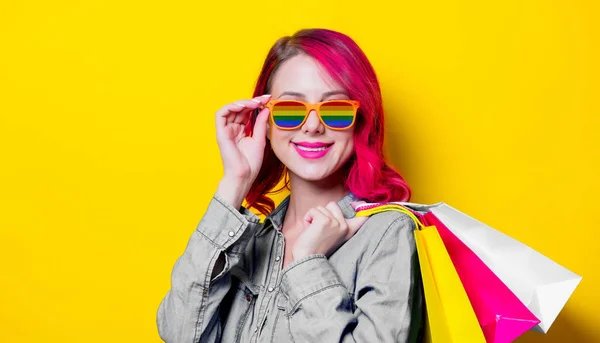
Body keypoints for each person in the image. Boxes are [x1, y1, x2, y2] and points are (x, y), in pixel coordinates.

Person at [156, 28, 424, 343]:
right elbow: (179, 334)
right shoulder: (252, 238)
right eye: (290, 111)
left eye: (336, 110)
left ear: (360, 121)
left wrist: (308, 262)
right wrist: (235, 182)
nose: (312, 125)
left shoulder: (387, 233)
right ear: (263, 122)